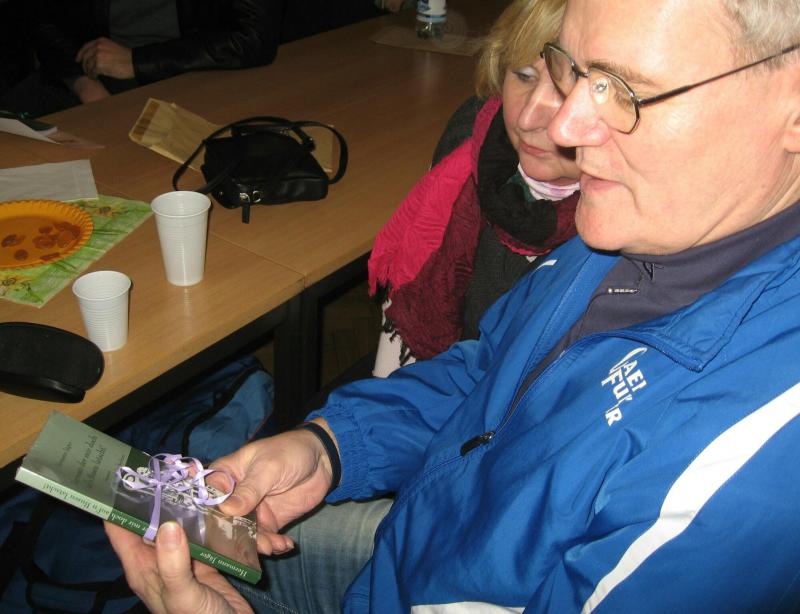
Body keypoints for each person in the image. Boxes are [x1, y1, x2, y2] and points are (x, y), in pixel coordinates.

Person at [108, 0, 800, 611]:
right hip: (422, 543)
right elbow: (490, 370)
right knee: (161, 521)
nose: (563, 126)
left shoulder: (741, 472)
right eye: (575, 72)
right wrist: (331, 447)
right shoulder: (648, 223)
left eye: (624, 89)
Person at [0, 0, 282, 117]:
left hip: (197, 68)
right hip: (85, 70)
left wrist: (136, 61)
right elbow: (40, 18)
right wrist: (81, 82)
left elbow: (254, 35)